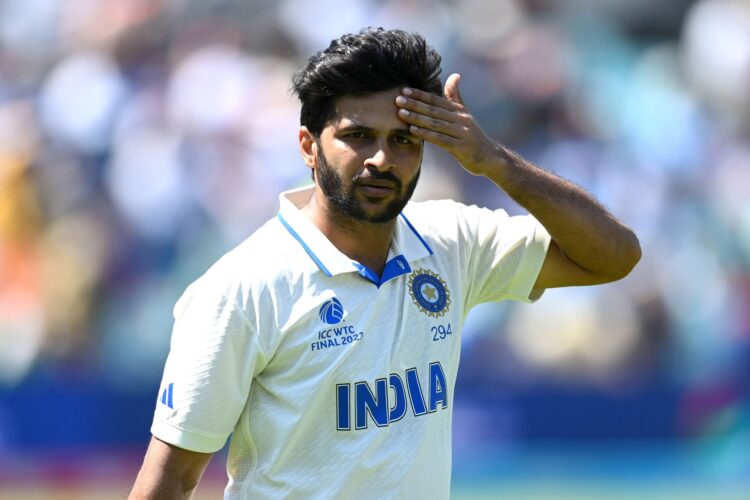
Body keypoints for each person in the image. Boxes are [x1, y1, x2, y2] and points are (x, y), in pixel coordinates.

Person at [128, 28, 641, 499]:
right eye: (357, 136)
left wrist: (497, 164)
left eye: (402, 140)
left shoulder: (452, 242)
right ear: (308, 146)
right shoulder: (243, 288)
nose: (380, 159)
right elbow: (170, 479)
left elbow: (614, 256)